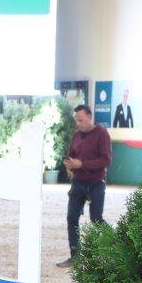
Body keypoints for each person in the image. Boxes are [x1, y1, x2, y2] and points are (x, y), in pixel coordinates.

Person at [57, 104, 112, 268]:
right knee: (72, 218)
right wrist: (69, 165)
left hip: (96, 182)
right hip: (78, 182)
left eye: (81, 120)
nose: (78, 123)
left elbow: (106, 160)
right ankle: (75, 257)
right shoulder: (76, 135)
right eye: (76, 120)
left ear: (89, 116)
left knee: (96, 219)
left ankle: (116, 243)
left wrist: (82, 164)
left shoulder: (102, 133)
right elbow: (72, 156)